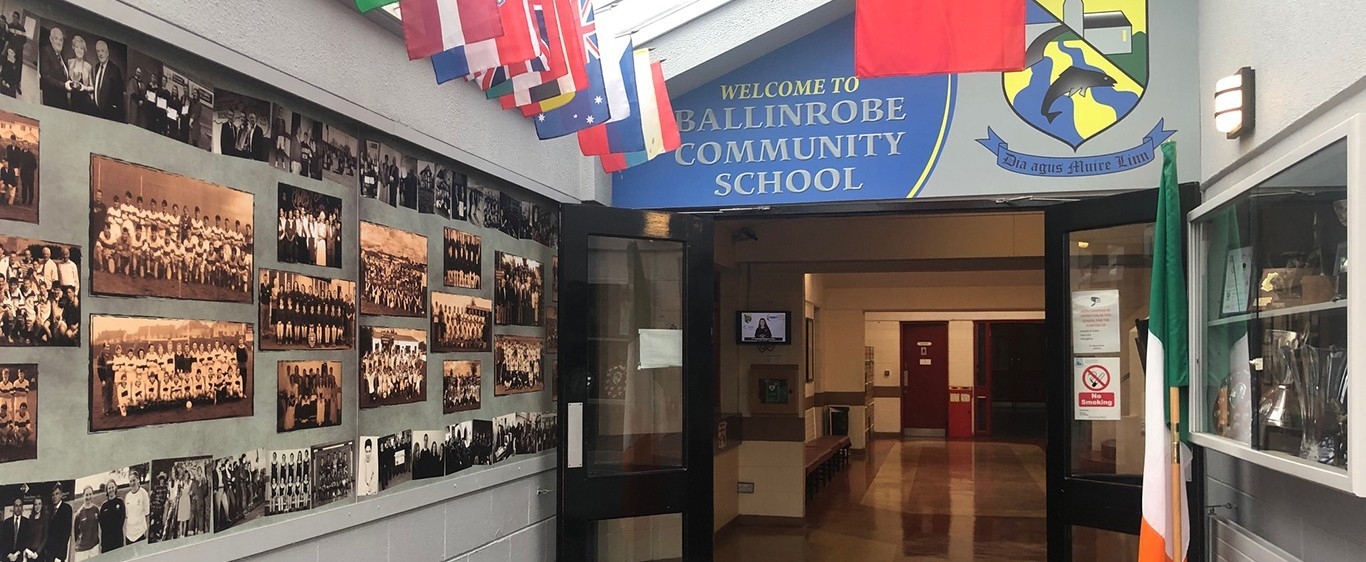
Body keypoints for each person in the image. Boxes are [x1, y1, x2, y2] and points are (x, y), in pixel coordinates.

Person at [90, 40, 123, 121]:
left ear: (107, 53)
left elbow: (119, 96)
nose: (100, 54)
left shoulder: (115, 70)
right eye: (98, 51)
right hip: (96, 113)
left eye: (102, 51)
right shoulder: (97, 67)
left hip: (109, 115)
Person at [38, 27, 70, 109]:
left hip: (62, 98)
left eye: (61, 40)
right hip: (52, 98)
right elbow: (46, 77)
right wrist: (64, 85)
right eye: (56, 38)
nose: (59, 42)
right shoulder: (46, 51)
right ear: (50, 39)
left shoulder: (61, 55)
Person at [45, 485, 72, 562]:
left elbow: (66, 533)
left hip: (59, 554)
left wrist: (60, 556)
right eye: (53, 495)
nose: (54, 497)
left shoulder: (66, 508)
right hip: (49, 553)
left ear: (61, 495)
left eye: (57, 494)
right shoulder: (50, 510)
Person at [96, 480, 124, 553]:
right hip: (106, 541)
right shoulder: (104, 506)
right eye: (109, 488)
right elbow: (101, 523)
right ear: (107, 490)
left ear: (115, 488)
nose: (111, 490)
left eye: (112, 487)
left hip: (117, 539)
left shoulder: (120, 502)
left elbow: (121, 520)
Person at [71, 488, 98, 561]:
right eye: (86, 495)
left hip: (94, 547)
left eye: (90, 494)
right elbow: (76, 532)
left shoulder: (96, 509)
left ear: (92, 495)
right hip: (82, 550)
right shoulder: (79, 513)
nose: (88, 497)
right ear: (83, 495)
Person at [123, 471, 150, 544]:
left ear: (138, 480)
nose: (132, 483)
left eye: (134, 480)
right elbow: (126, 516)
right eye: (130, 481)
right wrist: (125, 532)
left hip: (140, 533)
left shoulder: (143, 493)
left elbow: (147, 514)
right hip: (129, 535)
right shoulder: (127, 496)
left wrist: (147, 531)